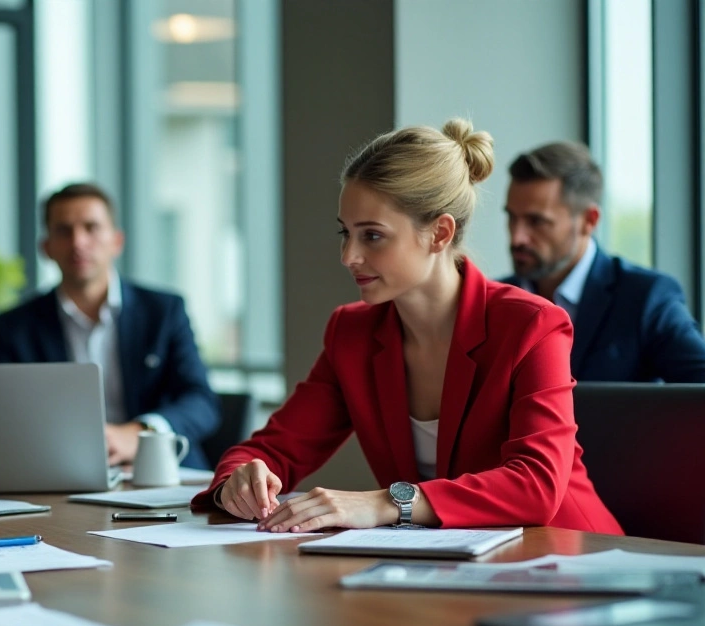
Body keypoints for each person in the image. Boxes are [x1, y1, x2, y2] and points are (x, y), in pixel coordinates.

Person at [192, 120, 622, 535]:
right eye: (346, 233)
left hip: (570, 563)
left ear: (438, 233)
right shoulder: (352, 333)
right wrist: (241, 480)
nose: (348, 256)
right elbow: (272, 448)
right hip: (450, 570)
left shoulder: (532, 325)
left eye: (372, 236)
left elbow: (536, 486)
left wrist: (383, 503)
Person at [0, 182, 220, 469]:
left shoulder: (163, 311)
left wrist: (140, 433)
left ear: (116, 241)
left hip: (159, 471)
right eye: (63, 230)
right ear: (45, 247)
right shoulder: (15, 326)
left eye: (91, 227)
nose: (78, 242)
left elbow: (201, 402)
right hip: (55, 475)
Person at [500, 142, 705, 381]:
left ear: (590, 220)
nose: (517, 237)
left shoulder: (645, 299)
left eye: (536, 221)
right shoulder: (491, 303)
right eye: (512, 218)